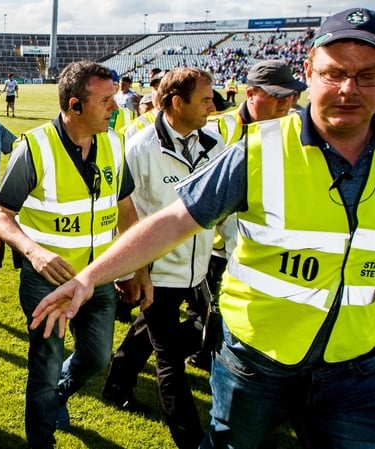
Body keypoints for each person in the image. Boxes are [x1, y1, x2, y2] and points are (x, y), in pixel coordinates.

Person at [31, 8, 375, 448]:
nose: (348, 88)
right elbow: (172, 220)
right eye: (334, 73)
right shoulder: (257, 151)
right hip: (256, 363)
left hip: (353, 366)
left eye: (368, 76)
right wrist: (91, 277)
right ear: (310, 71)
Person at [0, 60, 135, 449]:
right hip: (48, 283)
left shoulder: (115, 143)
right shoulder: (34, 147)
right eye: (105, 100)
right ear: (75, 105)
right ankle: (42, 440)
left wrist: (135, 269)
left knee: (97, 358)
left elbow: (125, 207)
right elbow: (1, 215)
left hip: (99, 277)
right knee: (46, 366)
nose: (115, 106)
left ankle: (57, 398)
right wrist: (34, 253)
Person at [104, 67, 225, 448]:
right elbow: (122, 212)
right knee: (170, 359)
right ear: (177, 102)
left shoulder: (216, 144)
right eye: (205, 100)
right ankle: (191, 440)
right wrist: (131, 270)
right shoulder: (139, 148)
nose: (212, 107)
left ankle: (116, 382)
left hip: (198, 268)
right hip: (155, 273)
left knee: (167, 332)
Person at [209, 59, 307, 146]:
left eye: (290, 94)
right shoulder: (218, 131)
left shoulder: (299, 129)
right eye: (277, 94)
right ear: (250, 94)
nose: (285, 101)